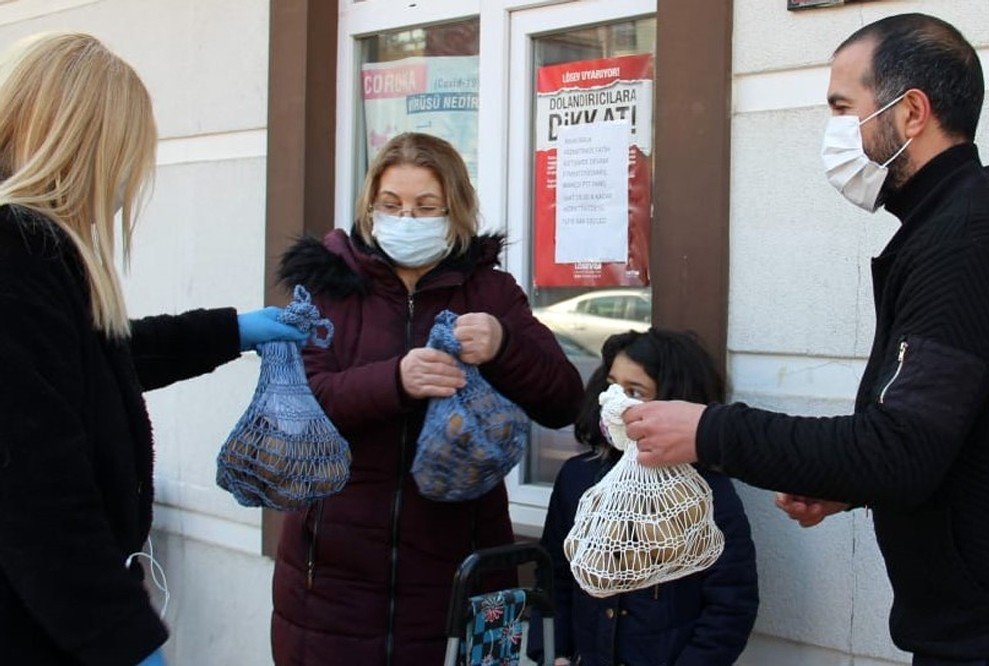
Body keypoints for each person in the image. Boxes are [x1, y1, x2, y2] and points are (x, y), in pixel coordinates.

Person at [620, 13, 989, 665]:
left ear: (911, 112)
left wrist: (708, 430)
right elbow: (947, 439)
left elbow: (902, 450)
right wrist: (848, 482)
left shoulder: (964, 241)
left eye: (842, 107)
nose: (833, 131)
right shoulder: (947, 227)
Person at [0, 33, 308, 666]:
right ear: (87, 149)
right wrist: (126, 644)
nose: (126, 184)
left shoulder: (37, 254)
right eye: (128, 158)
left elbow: (97, 366)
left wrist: (233, 330)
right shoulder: (15, 259)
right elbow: (37, 497)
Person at [272, 131, 584, 665]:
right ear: (370, 206)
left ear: (454, 209)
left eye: (426, 207)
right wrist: (395, 380)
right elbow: (294, 406)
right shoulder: (325, 288)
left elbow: (564, 401)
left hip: (464, 571)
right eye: (391, 205)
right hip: (333, 577)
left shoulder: (490, 291)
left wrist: (503, 346)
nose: (407, 219)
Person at [529, 329, 758, 665]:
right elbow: (555, 576)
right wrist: (555, 653)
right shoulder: (579, 479)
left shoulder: (702, 492)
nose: (616, 402)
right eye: (612, 385)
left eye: (635, 392)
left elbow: (731, 604)